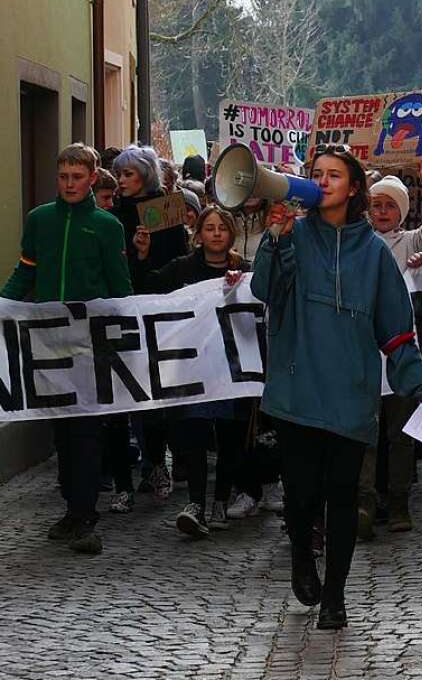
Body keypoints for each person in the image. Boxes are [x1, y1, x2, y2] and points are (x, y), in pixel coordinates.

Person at [251, 144, 422, 630]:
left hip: (352, 393)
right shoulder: (295, 234)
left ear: (354, 187)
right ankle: (300, 556)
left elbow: (396, 330)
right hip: (296, 389)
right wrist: (274, 238)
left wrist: (418, 383)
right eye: (317, 173)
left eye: (334, 174)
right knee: (302, 493)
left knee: (342, 495)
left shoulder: (375, 251)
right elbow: (264, 289)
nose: (324, 180)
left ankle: (335, 596)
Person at [0, 143, 132, 554]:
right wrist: (3, 306)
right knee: (59, 426)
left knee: (86, 431)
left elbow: (118, 286)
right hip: (47, 341)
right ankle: (72, 508)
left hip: (90, 345)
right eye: (63, 177)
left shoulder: (107, 226)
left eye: (78, 177)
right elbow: (25, 273)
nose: (70, 184)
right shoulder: (39, 221)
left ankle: (86, 512)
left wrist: (127, 335)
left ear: (93, 177)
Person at [133, 205, 252, 537]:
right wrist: (142, 257)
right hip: (193, 367)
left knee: (230, 438)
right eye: (209, 228)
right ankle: (197, 503)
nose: (215, 233)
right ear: (198, 234)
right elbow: (148, 291)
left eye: (222, 228)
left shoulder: (244, 269)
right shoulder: (182, 268)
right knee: (194, 434)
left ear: (231, 234)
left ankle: (221, 500)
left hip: (232, 367)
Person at [358, 166, 422, 537]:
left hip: (398, 353)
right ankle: (363, 501)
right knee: (364, 432)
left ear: (402, 212)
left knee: (400, 433)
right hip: (363, 353)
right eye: (375, 204)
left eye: (389, 206)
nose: (382, 212)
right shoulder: (356, 241)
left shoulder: (410, 242)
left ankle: (398, 501)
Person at [111, 145, 188, 503]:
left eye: (128, 174)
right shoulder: (114, 214)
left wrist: (144, 255)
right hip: (123, 310)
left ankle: (161, 463)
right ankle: (141, 466)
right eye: (119, 174)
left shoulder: (165, 210)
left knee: (159, 391)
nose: (122, 180)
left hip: (157, 309)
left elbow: (177, 261)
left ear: (145, 175)